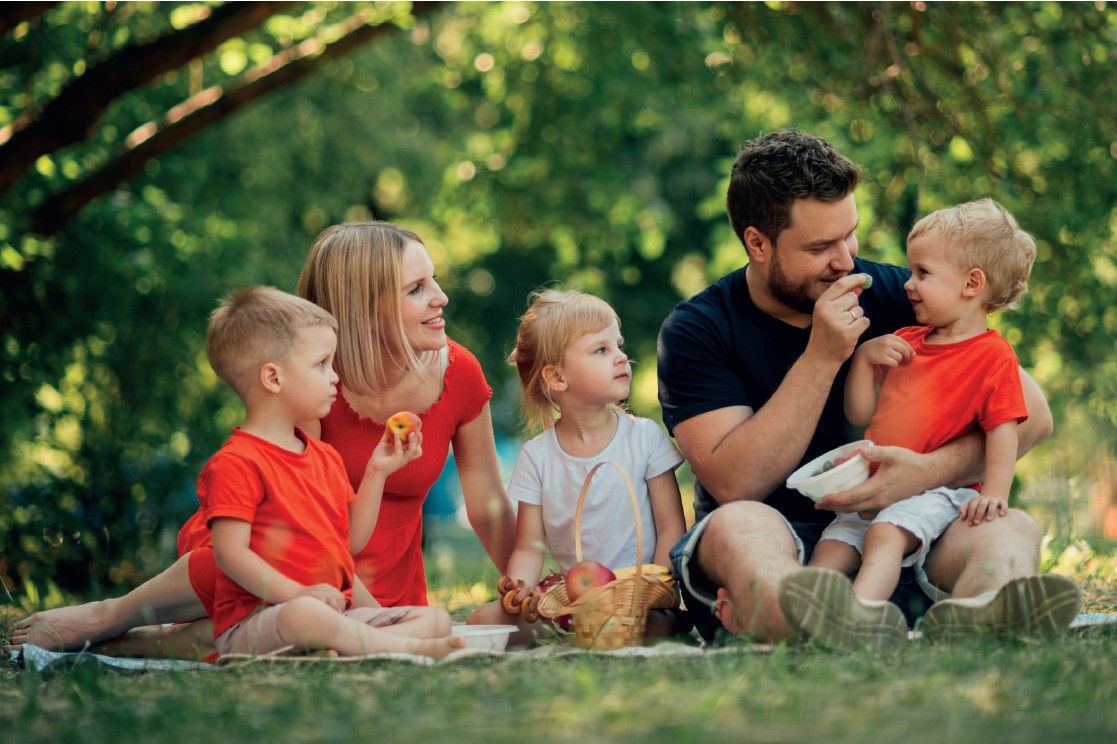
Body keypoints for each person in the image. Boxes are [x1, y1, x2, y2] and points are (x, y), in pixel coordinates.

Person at [10, 221, 516, 656]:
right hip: (281, 555)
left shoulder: (460, 373)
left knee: (288, 630)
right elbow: (303, 529)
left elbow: (489, 510)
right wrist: (318, 595)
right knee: (272, 608)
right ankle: (108, 618)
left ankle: (139, 641)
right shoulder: (311, 382)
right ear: (364, 306)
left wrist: (525, 586)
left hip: (363, 579)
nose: (441, 297)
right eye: (416, 288)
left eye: (433, 280)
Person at [656, 129, 1080, 648]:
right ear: (758, 244)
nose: (845, 260)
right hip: (782, 546)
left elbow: (1033, 416)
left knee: (1011, 527)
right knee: (736, 525)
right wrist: (823, 356)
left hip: (906, 537)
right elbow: (736, 484)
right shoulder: (697, 330)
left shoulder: (903, 295)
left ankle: (981, 611)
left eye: (849, 235)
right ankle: (814, 614)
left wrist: (927, 471)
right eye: (820, 247)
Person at [780, 198, 1046, 649]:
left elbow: (1004, 429)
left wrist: (996, 493)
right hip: (875, 483)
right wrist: (862, 360)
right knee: (834, 544)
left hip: (935, 494)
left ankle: (860, 616)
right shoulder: (907, 341)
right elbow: (860, 415)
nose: (908, 284)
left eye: (922, 273)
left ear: (972, 283)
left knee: (884, 536)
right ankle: (807, 615)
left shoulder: (992, 356)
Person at [198, 286, 459, 658]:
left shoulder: (324, 457)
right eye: (321, 364)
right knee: (306, 615)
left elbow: (351, 541)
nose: (335, 377)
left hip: (333, 613)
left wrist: (377, 472)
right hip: (261, 619)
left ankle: (348, 644)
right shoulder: (236, 462)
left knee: (436, 619)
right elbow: (229, 555)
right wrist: (297, 594)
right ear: (273, 379)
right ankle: (403, 648)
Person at [468, 289, 687, 644]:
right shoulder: (537, 456)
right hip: (574, 599)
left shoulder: (645, 438)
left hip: (638, 597)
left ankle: (619, 628)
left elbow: (671, 526)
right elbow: (529, 547)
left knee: (654, 625)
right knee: (484, 620)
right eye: (601, 350)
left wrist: (652, 591)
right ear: (557, 377)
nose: (621, 357)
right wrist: (520, 589)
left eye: (618, 345)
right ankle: (579, 629)